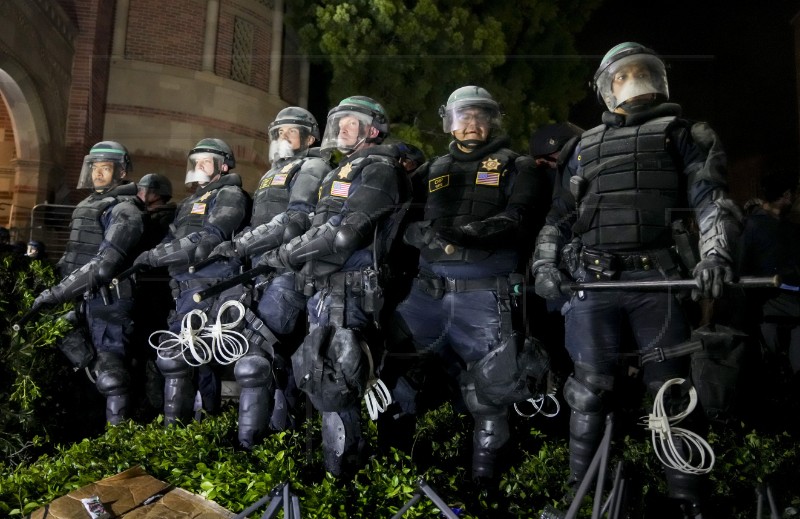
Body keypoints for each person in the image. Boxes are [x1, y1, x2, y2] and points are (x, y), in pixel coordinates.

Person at [532, 42, 739, 516]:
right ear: (607, 88)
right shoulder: (581, 147)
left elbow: (712, 200)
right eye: (622, 76)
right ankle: (583, 497)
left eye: (640, 73)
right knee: (588, 390)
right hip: (593, 282)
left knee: (670, 389)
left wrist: (714, 256)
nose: (632, 82)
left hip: (657, 282)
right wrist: (545, 264)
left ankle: (687, 499)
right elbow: (558, 218)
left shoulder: (684, 133)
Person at [393, 85, 545, 484]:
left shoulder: (518, 165)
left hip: (483, 293)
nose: (472, 124)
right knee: (400, 378)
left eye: (480, 116)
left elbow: (520, 218)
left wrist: (463, 234)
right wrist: (416, 234)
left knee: (489, 393)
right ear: (450, 122)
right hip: (426, 295)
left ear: (493, 120)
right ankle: (394, 476)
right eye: (464, 116)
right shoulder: (433, 169)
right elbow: (396, 221)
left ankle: (484, 488)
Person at [262, 96, 411, 477]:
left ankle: (345, 478)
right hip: (326, 289)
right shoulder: (339, 171)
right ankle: (338, 471)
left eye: (352, 122)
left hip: (352, 291)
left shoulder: (379, 168)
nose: (342, 128)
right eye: (339, 121)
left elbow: (345, 235)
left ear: (372, 129)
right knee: (320, 376)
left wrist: (286, 254)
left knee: (335, 382)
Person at [209, 107, 332, 448]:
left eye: (290, 132)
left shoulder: (313, 165)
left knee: (253, 357)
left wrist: (241, 244)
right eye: (278, 133)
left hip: (290, 272)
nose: (282, 138)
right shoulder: (268, 176)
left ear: (310, 138)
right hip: (260, 272)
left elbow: (296, 220)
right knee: (273, 364)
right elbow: (258, 222)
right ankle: (282, 442)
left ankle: (249, 447)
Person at [130, 138, 250, 425]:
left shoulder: (231, 194)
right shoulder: (189, 203)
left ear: (223, 166)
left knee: (185, 358)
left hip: (211, 289)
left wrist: (156, 256)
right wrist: (150, 253)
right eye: (196, 162)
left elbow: (209, 237)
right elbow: (172, 237)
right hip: (184, 290)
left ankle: (197, 425)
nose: (198, 167)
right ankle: (188, 433)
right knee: (191, 362)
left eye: (205, 162)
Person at [33, 141, 145, 425]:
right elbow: (73, 256)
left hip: (108, 301)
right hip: (81, 297)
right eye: (94, 168)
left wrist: (58, 292)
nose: (97, 174)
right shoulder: (86, 206)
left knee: (111, 374)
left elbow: (105, 264)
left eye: (105, 168)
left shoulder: (125, 210)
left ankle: (117, 441)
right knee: (75, 356)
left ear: (120, 172)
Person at [738, 171, 800, 432]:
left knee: (787, 371)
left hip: (788, 310)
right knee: (770, 369)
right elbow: (740, 271)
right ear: (786, 195)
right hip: (768, 311)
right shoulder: (753, 226)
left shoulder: (786, 227)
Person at [132, 173, 177, 418]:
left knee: (152, 350)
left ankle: (153, 408)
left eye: (144, 190)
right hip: (159, 290)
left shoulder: (158, 219)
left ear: (155, 193)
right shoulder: (166, 216)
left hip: (155, 291)